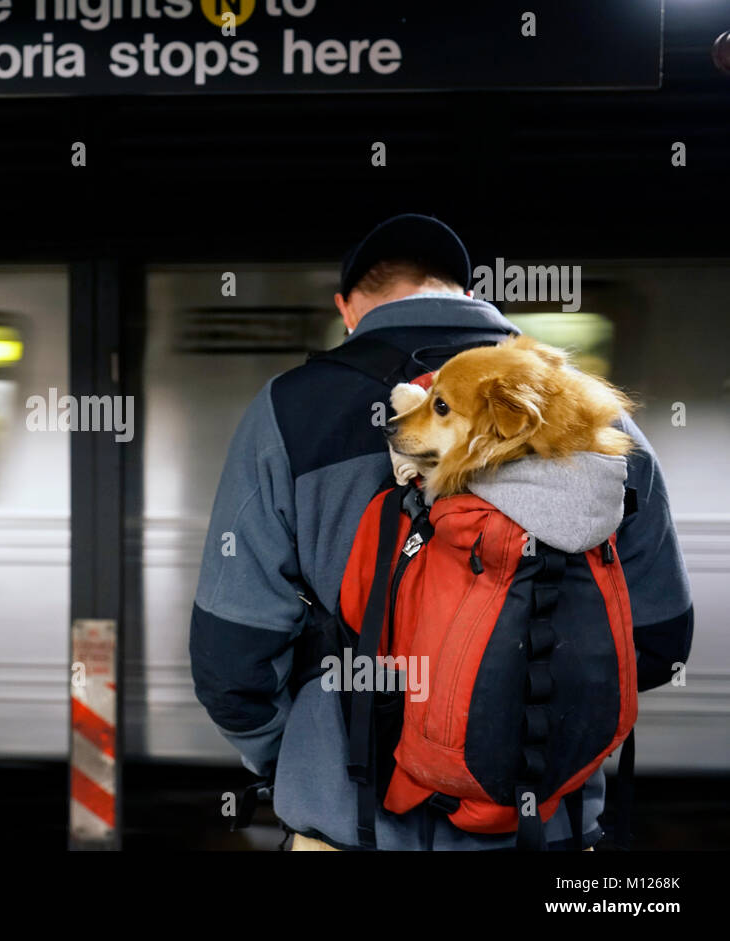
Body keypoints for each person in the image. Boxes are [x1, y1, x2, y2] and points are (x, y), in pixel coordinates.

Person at [188, 213, 695, 850]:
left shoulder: (286, 409)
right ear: (473, 295)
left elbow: (232, 650)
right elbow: (658, 638)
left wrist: (292, 757)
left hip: (348, 821)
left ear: (348, 310)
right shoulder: (591, 414)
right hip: (544, 821)